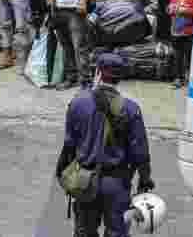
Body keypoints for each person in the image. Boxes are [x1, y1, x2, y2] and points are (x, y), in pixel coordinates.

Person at [56, 53, 155, 237]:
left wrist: (64, 175)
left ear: (98, 73)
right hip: (117, 184)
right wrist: (144, 180)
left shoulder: (78, 103)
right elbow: (140, 152)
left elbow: (69, 145)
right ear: (119, 78)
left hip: (85, 181)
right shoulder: (131, 109)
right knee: (117, 232)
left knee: (84, 232)